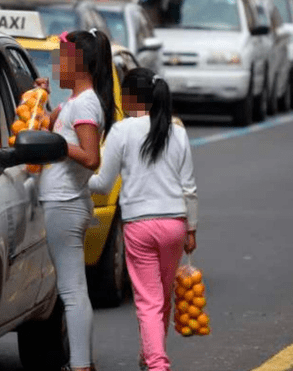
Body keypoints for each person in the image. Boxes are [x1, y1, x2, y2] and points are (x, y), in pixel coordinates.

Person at [88, 68, 197, 371]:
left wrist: (76, 180)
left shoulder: (121, 132)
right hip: (175, 225)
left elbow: (103, 184)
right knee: (162, 298)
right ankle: (149, 355)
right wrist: (192, 229)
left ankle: (157, 363)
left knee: (148, 301)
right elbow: (189, 188)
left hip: (139, 226)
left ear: (129, 98)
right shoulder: (177, 131)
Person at [39, 28, 115, 371]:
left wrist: (59, 146)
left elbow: (90, 157)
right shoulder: (72, 102)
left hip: (65, 203)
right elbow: (42, 129)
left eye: (62, 56)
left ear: (78, 63)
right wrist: (42, 100)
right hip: (65, 202)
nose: (57, 63)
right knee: (72, 290)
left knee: (72, 292)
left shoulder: (85, 103)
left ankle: (81, 366)